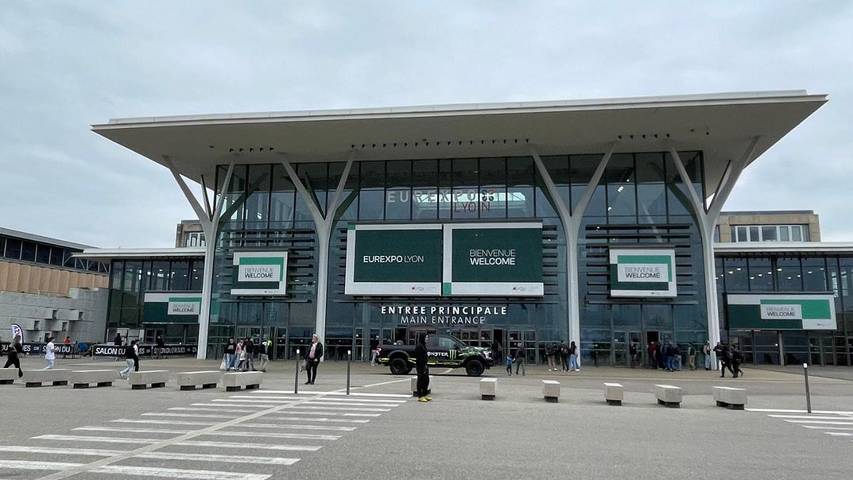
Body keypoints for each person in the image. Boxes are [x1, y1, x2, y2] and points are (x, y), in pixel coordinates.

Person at [415, 334, 431, 402]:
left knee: (426, 380)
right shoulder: (419, 346)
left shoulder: (423, 345)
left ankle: (425, 394)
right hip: (421, 365)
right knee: (421, 380)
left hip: (425, 365)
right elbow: (419, 357)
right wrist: (423, 366)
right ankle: (420, 396)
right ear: (422, 338)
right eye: (426, 337)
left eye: (427, 337)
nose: (427, 339)